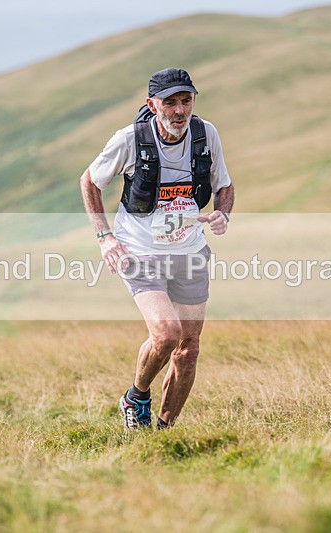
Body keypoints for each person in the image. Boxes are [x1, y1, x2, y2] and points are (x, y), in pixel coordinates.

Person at [80, 67, 235, 430]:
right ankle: (136, 396)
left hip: (190, 251)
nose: (180, 111)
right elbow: (90, 180)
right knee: (166, 333)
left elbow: (224, 185)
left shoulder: (205, 134)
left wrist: (223, 214)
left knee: (189, 348)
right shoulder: (129, 140)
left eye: (186, 101)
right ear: (152, 105)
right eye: (170, 103)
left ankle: (163, 429)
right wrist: (105, 237)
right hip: (140, 249)